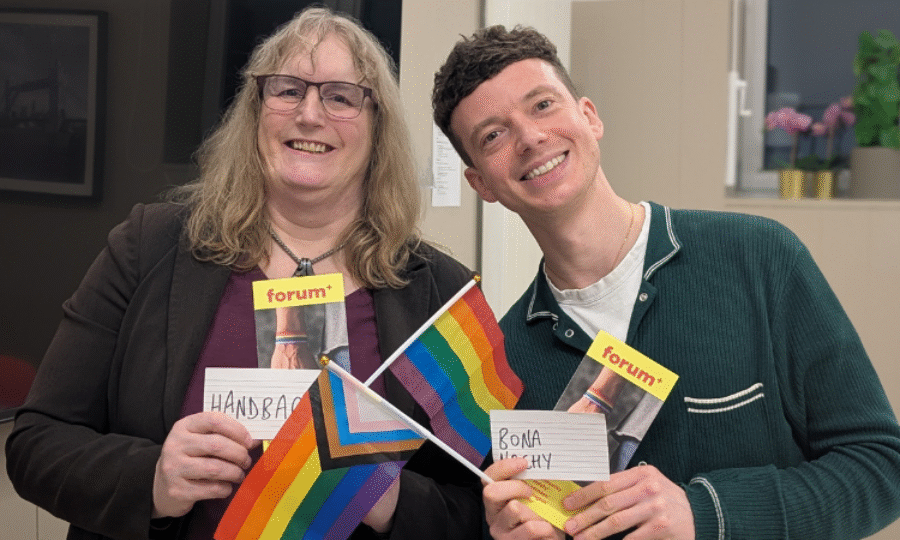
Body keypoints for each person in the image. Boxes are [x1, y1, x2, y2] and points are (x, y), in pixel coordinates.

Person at [6, 8, 480, 540]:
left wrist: (390, 499)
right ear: (255, 111)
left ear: (378, 128)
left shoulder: (440, 291)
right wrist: (153, 478)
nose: (309, 114)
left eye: (341, 96)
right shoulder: (150, 246)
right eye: (287, 90)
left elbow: (480, 510)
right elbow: (36, 443)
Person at [432, 24, 900, 540]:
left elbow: (881, 467)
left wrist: (705, 512)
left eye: (542, 105)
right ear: (481, 184)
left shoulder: (759, 257)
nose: (530, 138)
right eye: (493, 135)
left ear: (589, 117)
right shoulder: (504, 365)